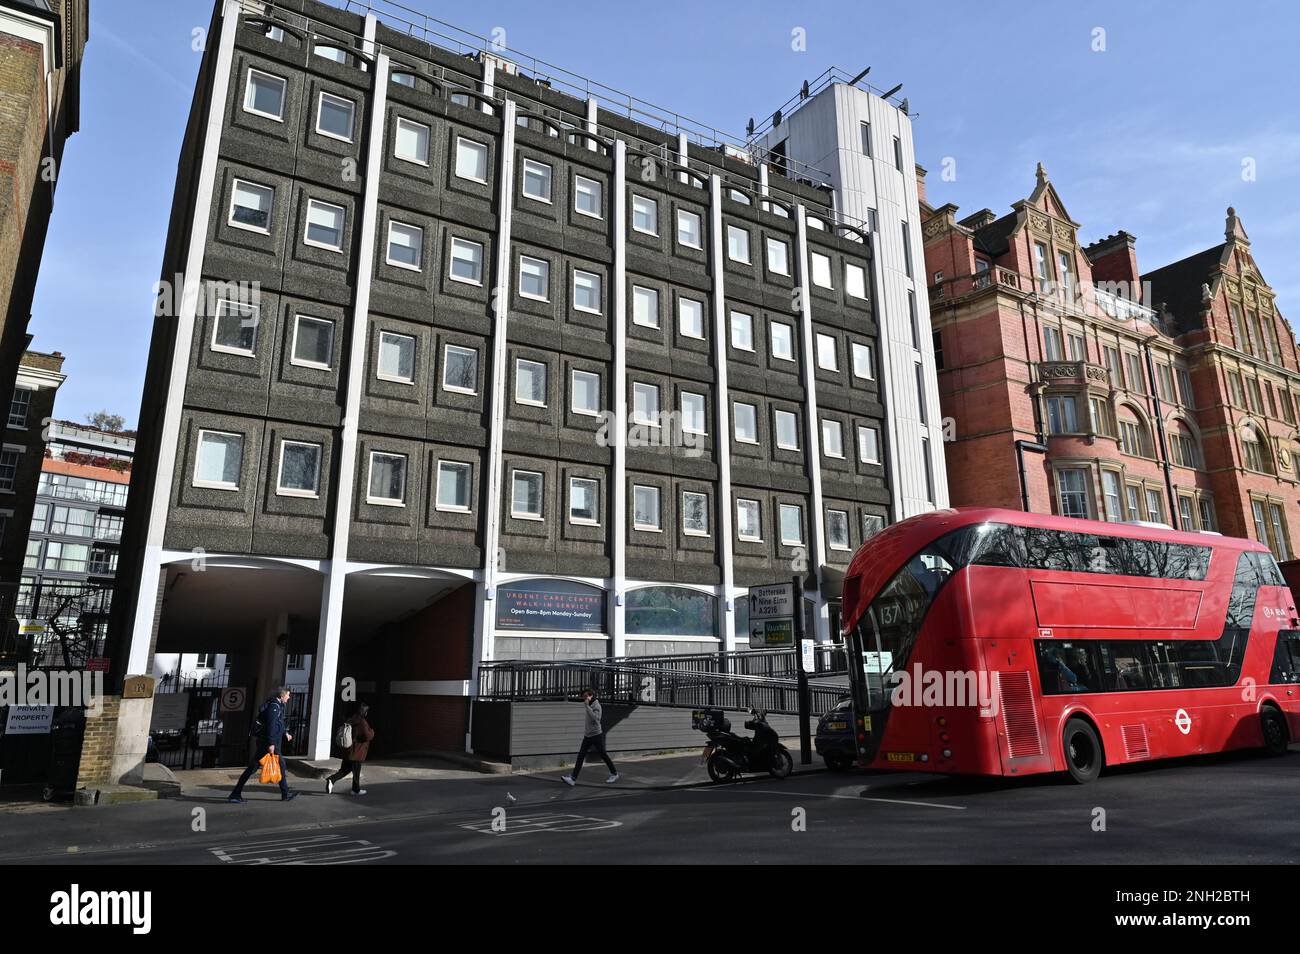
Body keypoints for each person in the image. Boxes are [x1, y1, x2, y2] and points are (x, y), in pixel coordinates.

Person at [228, 687, 297, 803]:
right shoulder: (274, 707)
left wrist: (285, 733)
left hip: (269, 742)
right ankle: (285, 793)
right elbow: (270, 725)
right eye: (288, 695)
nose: (289, 697)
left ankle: (236, 793)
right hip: (268, 743)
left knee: (255, 768)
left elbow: (278, 723)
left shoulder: (277, 706)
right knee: (279, 765)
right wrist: (271, 743)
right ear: (282, 695)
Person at [561, 689, 618, 786]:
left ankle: (614, 774)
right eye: (583, 696)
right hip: (587, 736)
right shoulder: (590, 705)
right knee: (580, 756)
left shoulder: (596, 706)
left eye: (585, 696)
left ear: (591, 696)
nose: (584, 698)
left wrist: (587, 706)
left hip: (596, 735)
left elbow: (596, 719)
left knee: (603, 754)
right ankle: (573, 779)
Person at [325, 703, 374, 796]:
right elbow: (366, 736)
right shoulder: (362, 722)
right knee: (356, 772)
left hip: (348, 750)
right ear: (364, 712)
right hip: (357, 752)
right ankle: (356, 790)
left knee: (344, 770)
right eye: (366, 712)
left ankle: (332, 779)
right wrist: (372, 731)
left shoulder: (351, 719)